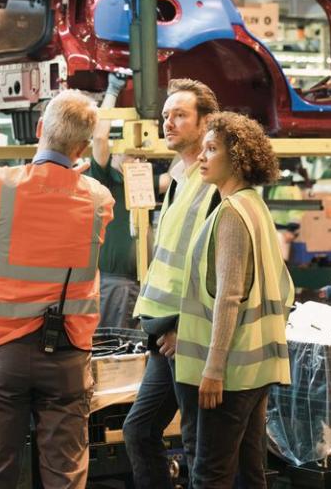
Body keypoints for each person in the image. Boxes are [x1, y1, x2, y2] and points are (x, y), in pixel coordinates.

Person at [0, 90, 114, 489]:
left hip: (1, 354)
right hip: (67, 355)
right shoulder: (99, 198)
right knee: (65, 474)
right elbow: (56, 205)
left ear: (40, 128)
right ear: (82, 146)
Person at [174, 112, 294, 489]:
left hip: (230, 372)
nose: (203, 157)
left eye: (212, 149)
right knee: (248, 470)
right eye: (203, 149)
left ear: (238, 158)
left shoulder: (230, 213)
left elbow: (229, 296)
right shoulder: (253, 205)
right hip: (256, 366)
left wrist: (213, 368)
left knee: (210, 474)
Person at [124, 79, 220, 489]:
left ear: (207, 122)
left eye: (180, 115)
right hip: (164, 333)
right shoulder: (179, 178)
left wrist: (186, 328)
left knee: (200, 446)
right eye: (166, 115)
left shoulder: (215, 182)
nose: (169, 122)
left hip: (192, 336)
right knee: (139, 430)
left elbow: (217, 269)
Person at [89, 72, 144, 329]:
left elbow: (177, 173)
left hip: (138, 284)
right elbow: (100, 138)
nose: (135, 160)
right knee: (110, 350)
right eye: (127, 153)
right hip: (111, 284)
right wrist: (112, 91)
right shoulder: (107, 182)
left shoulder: (141, 186)